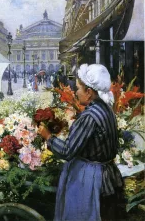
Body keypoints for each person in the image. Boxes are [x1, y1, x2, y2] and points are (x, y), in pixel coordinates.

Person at [38, 64, 125, 221]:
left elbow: (68, 151)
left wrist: (48, 137)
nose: (75, 92)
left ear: (89, 92)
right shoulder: (106, 110)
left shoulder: (89, 116)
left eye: (78, 88)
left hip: (90, 179)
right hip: (108, 174)